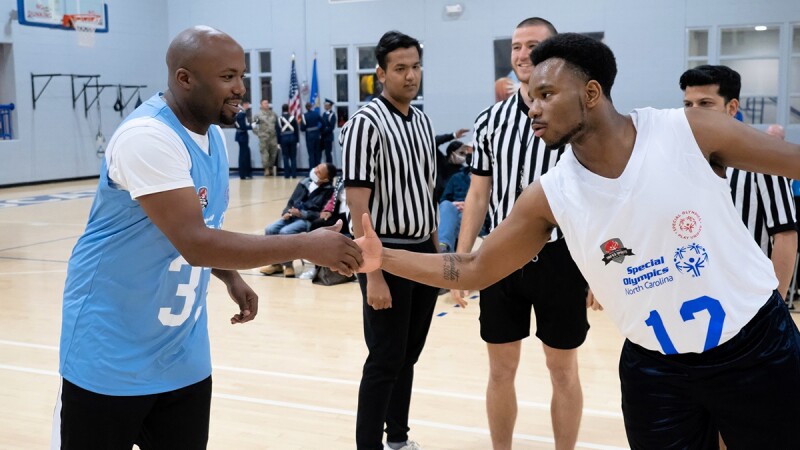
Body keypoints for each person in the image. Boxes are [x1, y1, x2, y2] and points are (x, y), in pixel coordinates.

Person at [356, 32, 800, 449]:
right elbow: (474, 267)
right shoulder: (550, 195)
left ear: (591, 93)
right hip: (656, 368)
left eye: (546, 96)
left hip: (756, 347)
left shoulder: (690, 131)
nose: (533, 108)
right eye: (531, 98)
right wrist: (382, 257)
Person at [52, 26, 363, 450]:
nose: (240, 89)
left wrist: (230, 275)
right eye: (228, 77)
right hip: (110, 352)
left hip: (182, 354)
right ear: (185, 79)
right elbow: (195, 242)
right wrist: (305, 243)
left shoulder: (213, 136)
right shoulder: (147, 137)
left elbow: (203, 227)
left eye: (242, 76)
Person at [457, 17, 589, 450]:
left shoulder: (576, 119)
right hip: (500, 257)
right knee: (499, 370)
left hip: (562, 257)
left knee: (563, 369)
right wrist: (462, 261)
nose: (520, 54)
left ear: (553, 54)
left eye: (532, 45)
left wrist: (597, 267)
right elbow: (478, 195)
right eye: (515, 46)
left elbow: (596, 196)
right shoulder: (490, 120)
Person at [341, 30, 439, 450]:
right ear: (380, 73)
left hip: (424, 255)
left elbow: (427, 191)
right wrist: (373, 273)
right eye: (401, 68)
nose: (411, 75)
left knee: (408, 357)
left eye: (415, 67)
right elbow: (357, 204)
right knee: (384, 359)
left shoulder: (422, 120)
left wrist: (438, 256)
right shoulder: (365, 123)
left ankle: (397, 439)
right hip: (385, 255)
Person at [680, 65, 797, 301]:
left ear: (731, 108)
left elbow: (786, 236)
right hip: (697, 298)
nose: (694, 113)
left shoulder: (762, 161)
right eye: (688, 105)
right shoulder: (680, 161)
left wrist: (775, 305)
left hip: (748, 300)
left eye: (705, 104)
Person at [259, 162, 337, 278]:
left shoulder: (329, 191)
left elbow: (321, 214)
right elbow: (291, 201)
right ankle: (275, 264)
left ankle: (288, 265)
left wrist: (302, 214)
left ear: (326, 179)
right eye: (316, 167)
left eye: (319, 172)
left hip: (308, 220)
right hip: (292, 215)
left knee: (285, 232)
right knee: (270, 229)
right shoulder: (304, 182)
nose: (314, 171)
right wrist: (286, 212)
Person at [438, 163, 471, 253]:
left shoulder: (493, 180)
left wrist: (470, 207)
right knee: (446, 205)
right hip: (455, 210)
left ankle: (446, 253)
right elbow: (444, 199)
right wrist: (455, 204)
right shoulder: (456, 177)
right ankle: (443, 246)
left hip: (475, 215)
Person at [254, 98, 279, 176]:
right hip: (264, 137)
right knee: (265, 154)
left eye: (267, 103)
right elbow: (254, 126)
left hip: (273, 137)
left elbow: (277, 125)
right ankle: (266, 169)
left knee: (273, 153)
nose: (267, 104)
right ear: (261, 105)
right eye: (265, 103)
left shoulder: (273, 114)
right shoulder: (258, 115)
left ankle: (271, 167)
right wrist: (258, 134)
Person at [276, 103, 299, 178]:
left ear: (282, 110)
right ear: (288, 109)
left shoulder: (279, 119)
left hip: (283, 138)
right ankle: (294, 174)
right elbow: (296, 130)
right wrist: (297, 141)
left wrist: (278, 142)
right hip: (292, 137)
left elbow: (278, 131)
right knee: (293, 157)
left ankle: (286, 174)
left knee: (285, 156)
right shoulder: (293, 117)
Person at [234, 100, 253, 179]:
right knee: (243, 155)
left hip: (240, 135)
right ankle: (244, 174)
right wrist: (252, 126)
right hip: (242, 136)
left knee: (244, 154)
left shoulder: (238, 112)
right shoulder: (242, 113)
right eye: (248, 104)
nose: (248, 106)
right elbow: (243, 126)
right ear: (245, 104)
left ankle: (245, 173)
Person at [301, 101, 323, 169]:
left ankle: (312, 170)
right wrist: (319, 130)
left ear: (306, 108)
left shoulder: (304, 116)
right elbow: (323, 123)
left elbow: (302, 128)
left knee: (311, 154)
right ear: (311, 107)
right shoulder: (316, 114)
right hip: (316, 135)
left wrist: (307, 128)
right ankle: (318, 168)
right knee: (317, 153)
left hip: (309, 136)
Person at [321, 98, 337, 164]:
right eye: (325, 105)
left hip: (328, 137)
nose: (325, 106)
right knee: (323, 153)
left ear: (330, 106)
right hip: (323, 137)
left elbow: (331, 127)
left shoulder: (332, 115)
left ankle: (329, 168)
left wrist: (323, 131)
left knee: (328, 153)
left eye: (326, 105)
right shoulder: (324, 114)